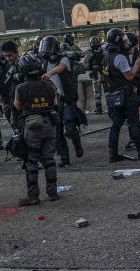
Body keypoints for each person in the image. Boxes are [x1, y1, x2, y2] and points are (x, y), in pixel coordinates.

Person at [12, 54, 60, 205]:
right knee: (49, 160)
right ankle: (52, 193)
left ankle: (33, 196)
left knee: (31, 161)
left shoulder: (21, 87)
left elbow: (17, 106)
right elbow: (55, 102)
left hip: (32, 126)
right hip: (50, 125)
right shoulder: (49, 85)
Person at [102, 28, 140, 162]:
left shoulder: (106, 55)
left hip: (114, 95)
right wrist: (137, 65)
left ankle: (112, 154)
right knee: (134, 123)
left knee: (116, 125)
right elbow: (129, 76)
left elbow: (116, 74)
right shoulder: (119, 57)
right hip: (127, 95)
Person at [39, 35, 83, 166]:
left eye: (49, 47)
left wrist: (49, 74)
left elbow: (61, 67)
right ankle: (64, 159)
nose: (46, 50)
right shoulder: (44, 62)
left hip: (67, 98)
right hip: (54, 101)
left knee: (69, 126)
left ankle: (77, 144)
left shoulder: (63, 59)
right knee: (58, 131)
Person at [0, 41, 20, 128]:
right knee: (13, 125)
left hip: (20, 100)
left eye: (9, 55)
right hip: (5, 100)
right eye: (5, 56)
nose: (7, 58)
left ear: (16, 53)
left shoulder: (22, 64)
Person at [83, 36, 106, 116]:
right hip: (104, 73)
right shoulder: (103, 51)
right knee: (107, 90)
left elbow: (85, 65)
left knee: (97, 93)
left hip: (95, 74)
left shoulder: (89, 52)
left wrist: (91, 68)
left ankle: (99, 109)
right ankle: (111, 108)